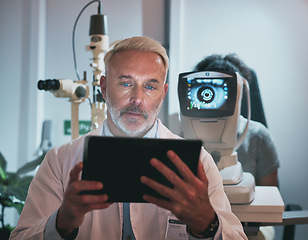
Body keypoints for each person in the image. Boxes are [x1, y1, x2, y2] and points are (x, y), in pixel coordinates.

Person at [10, 37, 247, 240]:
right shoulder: (60, 161)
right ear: (103, 88)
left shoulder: (197, 164)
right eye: (126, 83)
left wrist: (208, 224)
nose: (137, 98)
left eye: (150, 87)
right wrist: (61, 222)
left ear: (163, 94)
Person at [194, 54, 280, 240]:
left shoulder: (257, 135)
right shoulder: (182, 134)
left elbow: (271, 193)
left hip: (252, 225)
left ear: (240, 93)